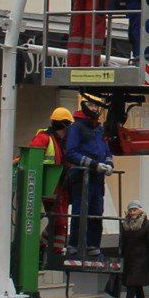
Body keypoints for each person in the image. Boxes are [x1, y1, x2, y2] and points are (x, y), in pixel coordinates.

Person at [64, 98, 115, 270]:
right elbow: (71, 152)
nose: (94, 108)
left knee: (97, 211)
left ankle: (93, 247)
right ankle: (74, 245)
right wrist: (93, 164)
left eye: (96, 105)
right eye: (91, 105)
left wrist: (109, 164)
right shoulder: (76, 128)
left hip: (97, 178)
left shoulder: (99, 129)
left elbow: (107, 150)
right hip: (81, 176)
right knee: (80, 210)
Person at [28, 106, 75, 263]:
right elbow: (32, 159)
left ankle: (46, 248)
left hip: (60, 187)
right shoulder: (43, 139)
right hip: (50, 187)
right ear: (64, 125)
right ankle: (52, 251)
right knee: (59, 221)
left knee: (60, 223)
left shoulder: (62, 142)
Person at [117, 201, 149, 298]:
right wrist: (120, 257)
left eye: (134, 210)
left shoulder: (147, 225)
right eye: (130, 210)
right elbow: (122, 242)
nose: (132, 212)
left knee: (132, 282)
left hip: (142, 260)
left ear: (140, 211)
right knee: (136, 284)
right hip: (129, 259)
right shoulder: (125, 225)